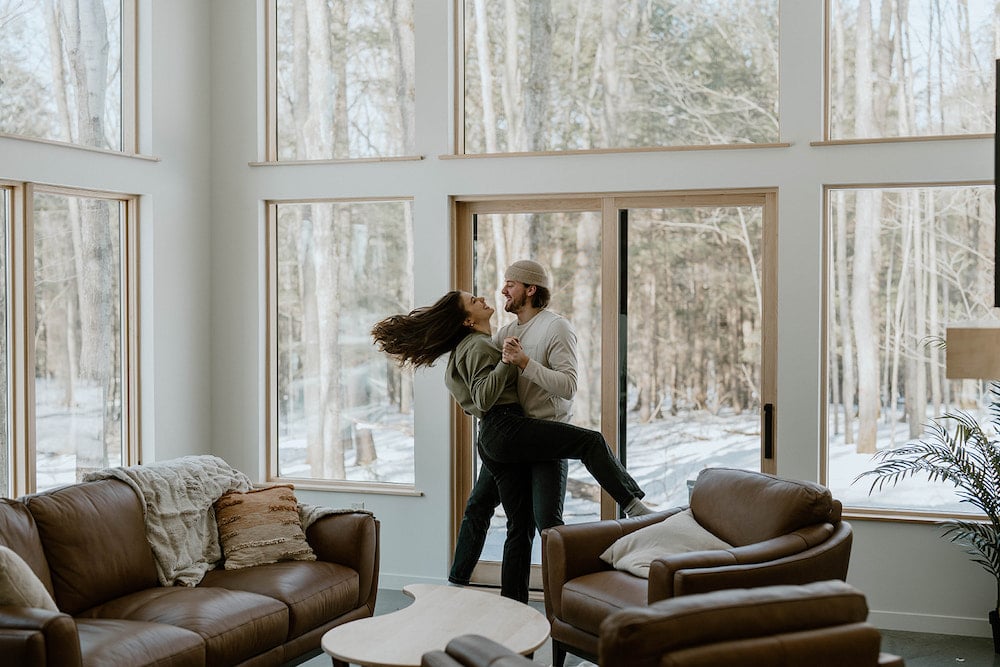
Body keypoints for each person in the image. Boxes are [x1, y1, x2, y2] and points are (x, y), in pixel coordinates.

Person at [371, 290, 652, 603]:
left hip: (494, 436)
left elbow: (467, 400)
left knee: (519, 526)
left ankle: (505, 602)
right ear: (467, 319)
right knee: (591, 441)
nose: (480, 298)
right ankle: (634, 505)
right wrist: (507, 362)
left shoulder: (466, 348)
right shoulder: (477, 345)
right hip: (506, 427)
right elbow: (483, 398)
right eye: (472, 301)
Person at [449, 260, 576, 588]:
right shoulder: (505, 333)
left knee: (547, 525)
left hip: (545, 437)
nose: (503, 290)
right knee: (482, 507)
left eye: (511, 284)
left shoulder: (556, 327)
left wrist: (525, 363)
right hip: (512, 435)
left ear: (530, 289)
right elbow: (481, 379)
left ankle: (562, 599)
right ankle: (461, 583)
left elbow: (568, 386)